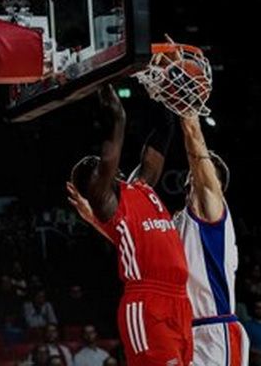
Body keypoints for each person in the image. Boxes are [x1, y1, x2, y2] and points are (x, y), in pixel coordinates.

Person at [67, 85, 192, 366]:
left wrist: (160, 87)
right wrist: (105, 81)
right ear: (94, 186)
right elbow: (116, 122)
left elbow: (164, 130)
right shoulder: (106, 203)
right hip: (146, 302)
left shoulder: (141, 186)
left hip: (179, 300)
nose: (104, 165)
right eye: (97, 167)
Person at [173, 115, 250, 365]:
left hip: (216, 329)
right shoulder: (176, 221)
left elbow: (196, 150)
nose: (197, 172)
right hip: (185, 329)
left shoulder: (213, 211)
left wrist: (189, 116)